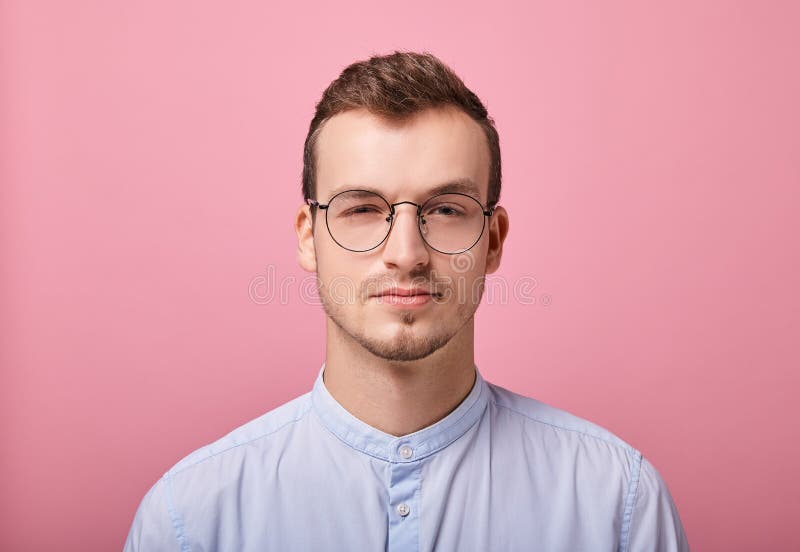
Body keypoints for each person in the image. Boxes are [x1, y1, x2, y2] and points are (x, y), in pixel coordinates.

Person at [124, 51, 690, 551]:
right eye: (362, 208)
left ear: (492, 240)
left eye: (445, 209)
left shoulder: (618, 505)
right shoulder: (188, 523)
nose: (406, 253)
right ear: (307, 236)